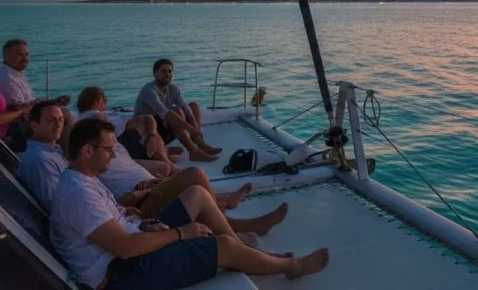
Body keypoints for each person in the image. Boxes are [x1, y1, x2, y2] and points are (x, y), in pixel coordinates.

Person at [50, 117, 329, 290]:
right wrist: (182, 233)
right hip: (123, 275)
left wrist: (143, 222)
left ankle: (249, 250)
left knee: (196, 193)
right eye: (109, 150)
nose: (112, 155)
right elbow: (124, 248)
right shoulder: (77, 194)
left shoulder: (85, 179)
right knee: (222, 247)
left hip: (131, 246)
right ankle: (290, 268)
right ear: (87, 151)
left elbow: (117, 229)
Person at [21, 100, 257, 218]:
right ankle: (234, 221)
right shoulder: (43, 161)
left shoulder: (56, 156)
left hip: (129, 202)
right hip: (129, 211)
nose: (59, 124)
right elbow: (67, 210)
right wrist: (131, 201)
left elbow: (90, 190)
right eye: (52, 120)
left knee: (179, 176)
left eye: (61, 120)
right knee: (194, 178)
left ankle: (226, 210)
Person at [0, 38, 73, 151]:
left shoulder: (16, 72)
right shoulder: (6, 78)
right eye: (20, 55)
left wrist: (54, 102)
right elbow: (24, 110)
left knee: (59, 112)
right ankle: (69, 154)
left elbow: (30, 102)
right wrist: (54, 104)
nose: (25, 58)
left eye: (27, 54)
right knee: (64, 116)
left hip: (23, 118)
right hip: (17, 127)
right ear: (5, 56)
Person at [133, 59, 221, 162]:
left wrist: (196, 133)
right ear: (155, 74)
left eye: (170, 71)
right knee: (175, 111)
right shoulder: (149, 90)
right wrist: (191, 129)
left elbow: (187, 110)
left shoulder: (173, 89)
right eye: (163, 71)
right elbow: (166, 114)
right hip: (146, 132)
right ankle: (193, 152)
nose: (167, 74)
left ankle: (200, 145)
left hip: (161, 126)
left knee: (193, 106)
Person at [76, 86, 173, 165]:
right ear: (96, 101)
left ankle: (164, 154)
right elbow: (146, 119)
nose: (105, 106)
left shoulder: (80, 119)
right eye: (104, 101)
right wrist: (152, 136)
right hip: (123, 152)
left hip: (112, 151)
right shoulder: (100, 117)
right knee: (146, 126)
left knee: (147, 127)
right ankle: (166, 160)